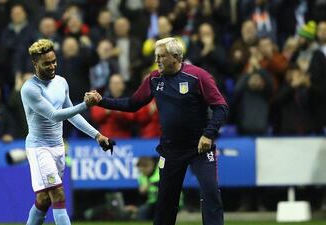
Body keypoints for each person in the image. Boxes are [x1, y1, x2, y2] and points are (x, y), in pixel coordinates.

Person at [88, 37, 228, 225]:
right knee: (165, 202)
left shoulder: (199, 76)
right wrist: (102, 101)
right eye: (156, 56)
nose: (157, 60)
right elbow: (132, 104)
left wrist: (208, 134)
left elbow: (221, 107)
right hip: (171, 150)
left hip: (200, 148)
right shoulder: (154, 79)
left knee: (210, 192)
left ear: (176, 57)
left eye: (161, 56)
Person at [20, 39, 111, 225]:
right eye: (47, 63)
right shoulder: (30, 89)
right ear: (35, 64)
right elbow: (54, 115)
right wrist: (85, 105)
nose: (52, 66)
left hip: (58, 146)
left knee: (44, 199)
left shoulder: (61, 82)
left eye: (54, 61)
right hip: (40, 149)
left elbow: (71, 115)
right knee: (58, 194)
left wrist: (97, 134)